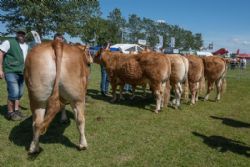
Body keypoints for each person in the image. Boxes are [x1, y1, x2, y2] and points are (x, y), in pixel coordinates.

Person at [0, 30, 29, 121]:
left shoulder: (26, 46)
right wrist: (0, 69)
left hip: (22, 72)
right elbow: (1, 54)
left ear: (25, 35)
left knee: (19, 93)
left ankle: (16, 110)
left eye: (23, 33)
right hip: (10, 71)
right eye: (19, 33)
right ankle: (10, 112)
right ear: (16, 34)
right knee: (14, 92)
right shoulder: (9, 42)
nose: (21, 35)